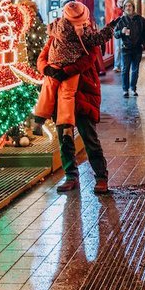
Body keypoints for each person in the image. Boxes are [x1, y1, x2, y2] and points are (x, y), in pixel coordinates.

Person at [33, 1, 115, 141]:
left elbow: (43, 55)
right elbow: (92, 53)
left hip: (58, 69)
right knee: (67, 95)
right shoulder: (84, 32)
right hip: (74, 77)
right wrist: (110, 28)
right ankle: (67, 128)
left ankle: (39, 121)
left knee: (47, 91)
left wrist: (48, 69)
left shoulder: (57, 28)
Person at [38, 42, 112, 195]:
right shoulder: (56, 37)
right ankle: (71, 176)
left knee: (90, 139)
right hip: (61, 97)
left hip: (83, 95)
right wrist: (47, 69)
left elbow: (89, 59)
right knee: (65, 139)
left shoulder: (86, 37)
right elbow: (42, 58)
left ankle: (101, 176)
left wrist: (66, 71)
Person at [114, 0, 145, 97]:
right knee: (125, 70)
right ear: (124, 8)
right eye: (126, 6)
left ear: (133, 7)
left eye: (130, 6)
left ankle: (133, 88)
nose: (128, 8)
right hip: (126, 49)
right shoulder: (121, 20)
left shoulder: (140, 19)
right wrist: (121, 32)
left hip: (137, 49)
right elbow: (115, 34)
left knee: (135, 70)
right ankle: (125, 90)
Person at [113, 0, 126, 73]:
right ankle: (116, 65)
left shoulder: (125, 10)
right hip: (117, 31)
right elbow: (114, 20)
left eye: (122, 2)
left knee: (122, 47)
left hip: (124, 30)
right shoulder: (115, 10)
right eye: (119, 1)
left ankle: (122, 65)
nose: (120, 3)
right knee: (117, 48)